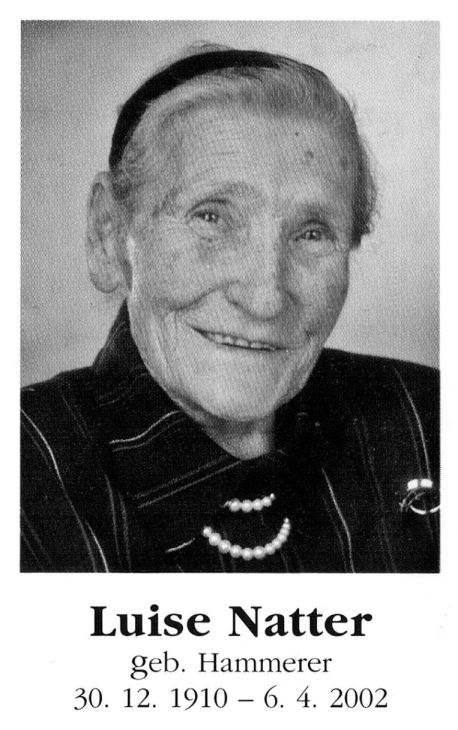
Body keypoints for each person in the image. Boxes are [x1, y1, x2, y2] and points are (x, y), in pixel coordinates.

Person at [21, 46, 439, 573]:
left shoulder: (428, 418)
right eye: (212, 217)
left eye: (312, 233)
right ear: (110, 234)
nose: (265, 299)